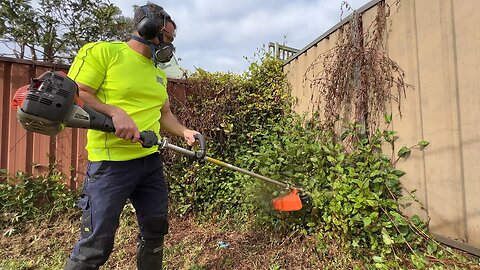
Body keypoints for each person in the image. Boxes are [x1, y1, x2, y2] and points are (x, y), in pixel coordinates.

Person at [64, 2, 199, 269]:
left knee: (155, 230)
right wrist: (115, 112)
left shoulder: (158, 74)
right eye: (168, 37)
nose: (170, 44)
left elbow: (164, 114)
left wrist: (185, 131)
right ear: (148, 28)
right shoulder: (103, 52)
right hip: (110, 165)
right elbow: (77, 91)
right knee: (96, 244)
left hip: (149, 163)